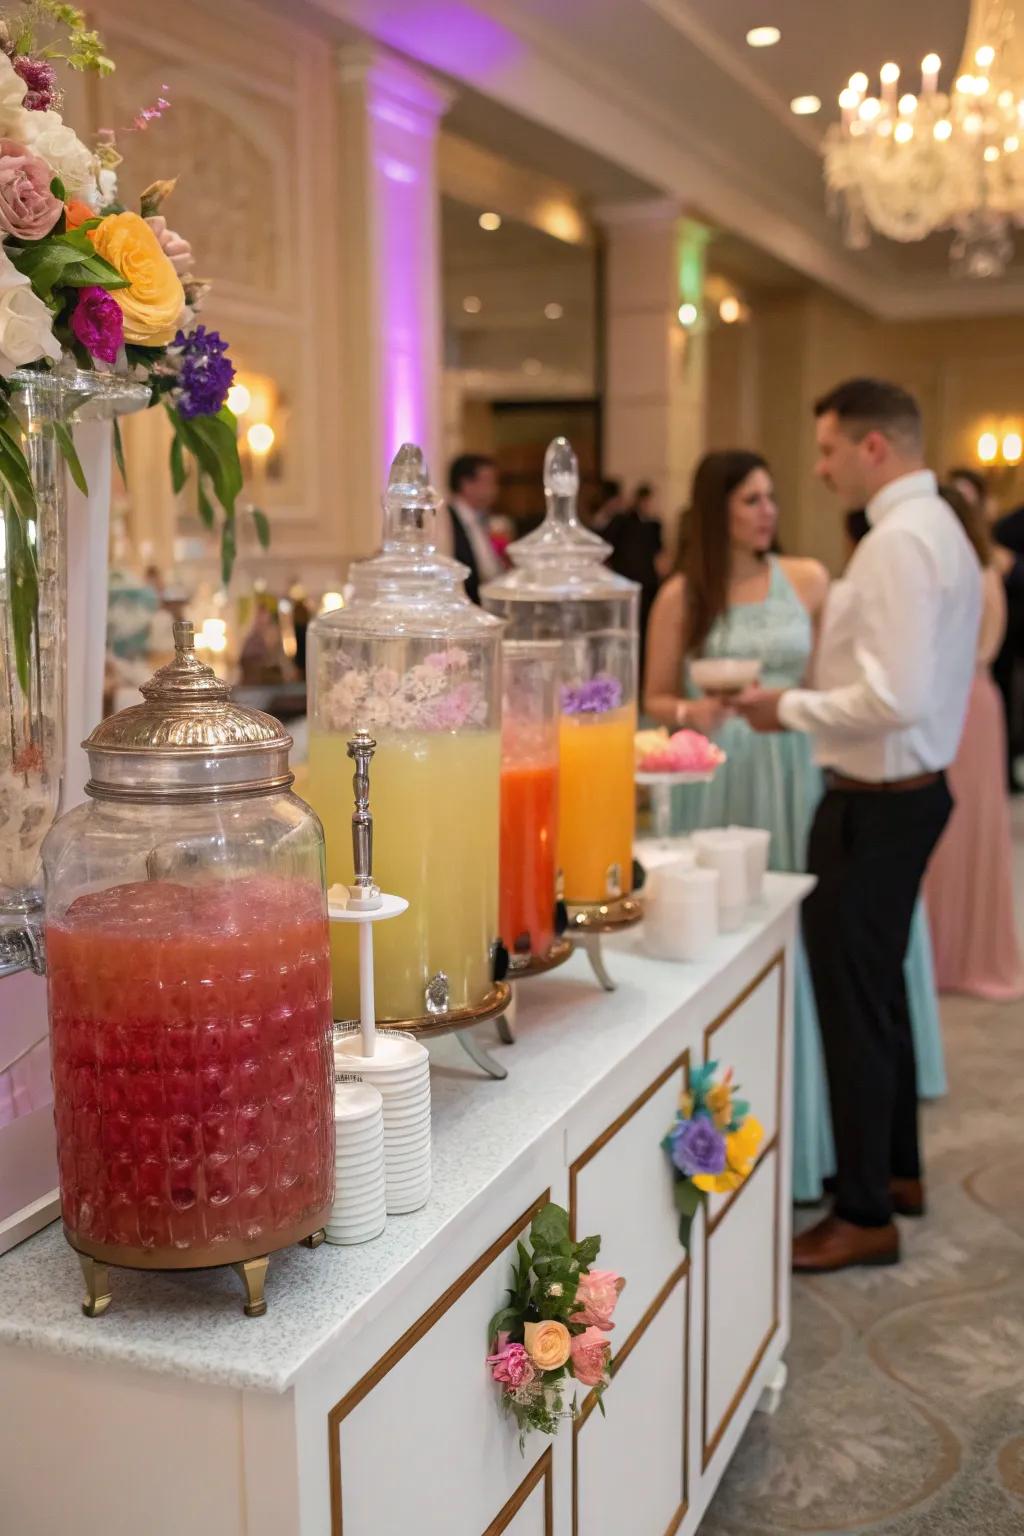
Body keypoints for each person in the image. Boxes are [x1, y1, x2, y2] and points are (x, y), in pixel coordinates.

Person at [644, 451, 945, 1208]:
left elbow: (844, 675)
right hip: (723, 775)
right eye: (750, 499)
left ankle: (821, 1139)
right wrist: (693, 713)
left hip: (798, 763)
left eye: (771, 497)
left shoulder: (808, 579)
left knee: (821, 946)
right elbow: (654, 694)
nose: (767, 511)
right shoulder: (683, 594)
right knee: (733, 946)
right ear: (717, 510)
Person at [737, 378, 981, 1273]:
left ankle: (864, 1208)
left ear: (874, 448)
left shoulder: (896, 542)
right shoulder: (940, 527)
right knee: (878, 992)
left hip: (876, 803)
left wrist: (787, 708)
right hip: (908, 792)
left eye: (830, 448)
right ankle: (899, 1172)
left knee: (852, 1002)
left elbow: (894, 695)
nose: (820, 465)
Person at [923, 485, 1024, 999]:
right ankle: (955, 947)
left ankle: (950, 951)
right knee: (966, 823)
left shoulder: (963, 575)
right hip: (978, 700)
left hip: (960, 702)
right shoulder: (985, 573)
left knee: (958, 822)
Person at [608, 482, 666, 675]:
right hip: (627, 579)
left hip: (648, 582)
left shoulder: (653, 525)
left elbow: (659, 553)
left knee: (647, 627)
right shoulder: (623, 521)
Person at [445, 454, 504, 604]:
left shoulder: (485, 519)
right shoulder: (444, 519)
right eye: (488, 481)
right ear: (466, 484)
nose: (495, 489)